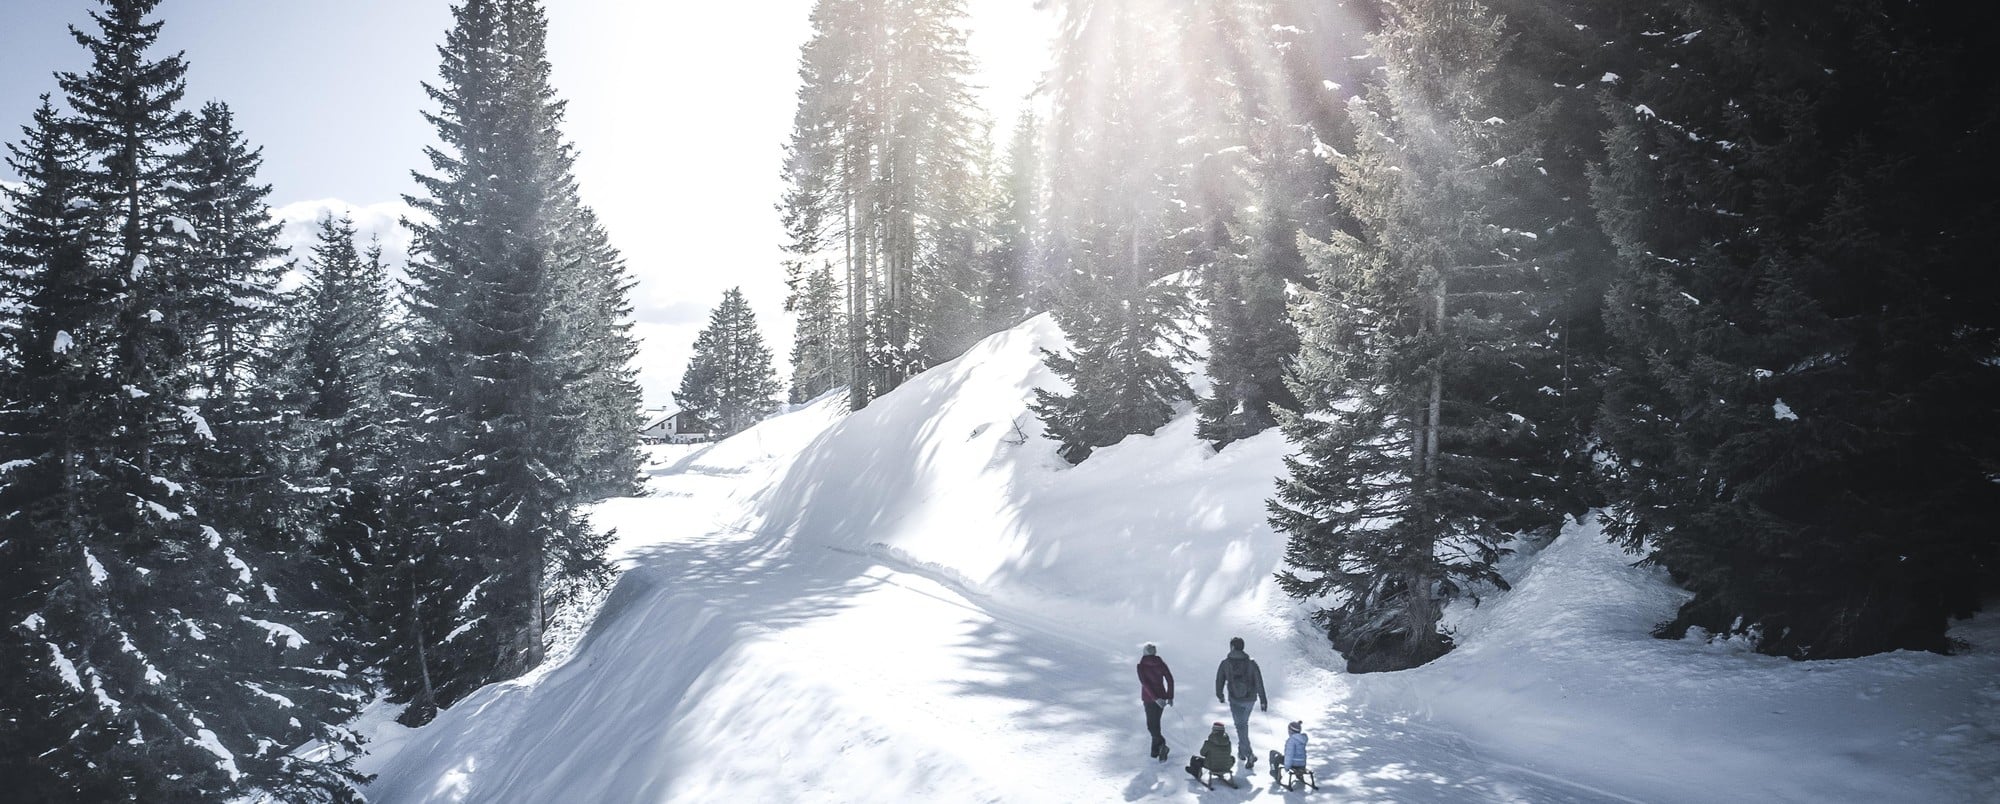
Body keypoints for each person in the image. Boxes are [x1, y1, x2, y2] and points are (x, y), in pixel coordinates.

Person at [1214, 636, 1267, 770]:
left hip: (1235, 699)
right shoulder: (1251, 663)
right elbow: (1259, 681)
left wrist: (1220, 695)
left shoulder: (1225, 663)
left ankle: (1248, 753)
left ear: (1232, 647)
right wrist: (1263, 700)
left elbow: (1219, 679)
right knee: (1243, 725)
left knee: (1241, 726)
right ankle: (1241, 751)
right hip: (1250, 699)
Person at [1137, 644, 1175, 761]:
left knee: (1152, 726)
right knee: (1155, 724)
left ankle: (1162, 745)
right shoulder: (1160, 663)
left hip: (1149, 698)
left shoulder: (1141, 666)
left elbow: (1145, 683)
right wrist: (1169, 696)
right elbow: (1170, 679)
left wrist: (1154, 698)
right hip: (1161, 696)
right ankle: (1155, 752)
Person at [1185, 722, 1237, 789]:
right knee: (1232, 758)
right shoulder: (1228, 743)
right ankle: (1221, 771)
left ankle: (1195, 773)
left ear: (1214, 730)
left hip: (1211, 765)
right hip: (1227, 765)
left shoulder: (1209, 743)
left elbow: (1202, 753)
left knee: (1195, 759)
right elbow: (1228, 753)